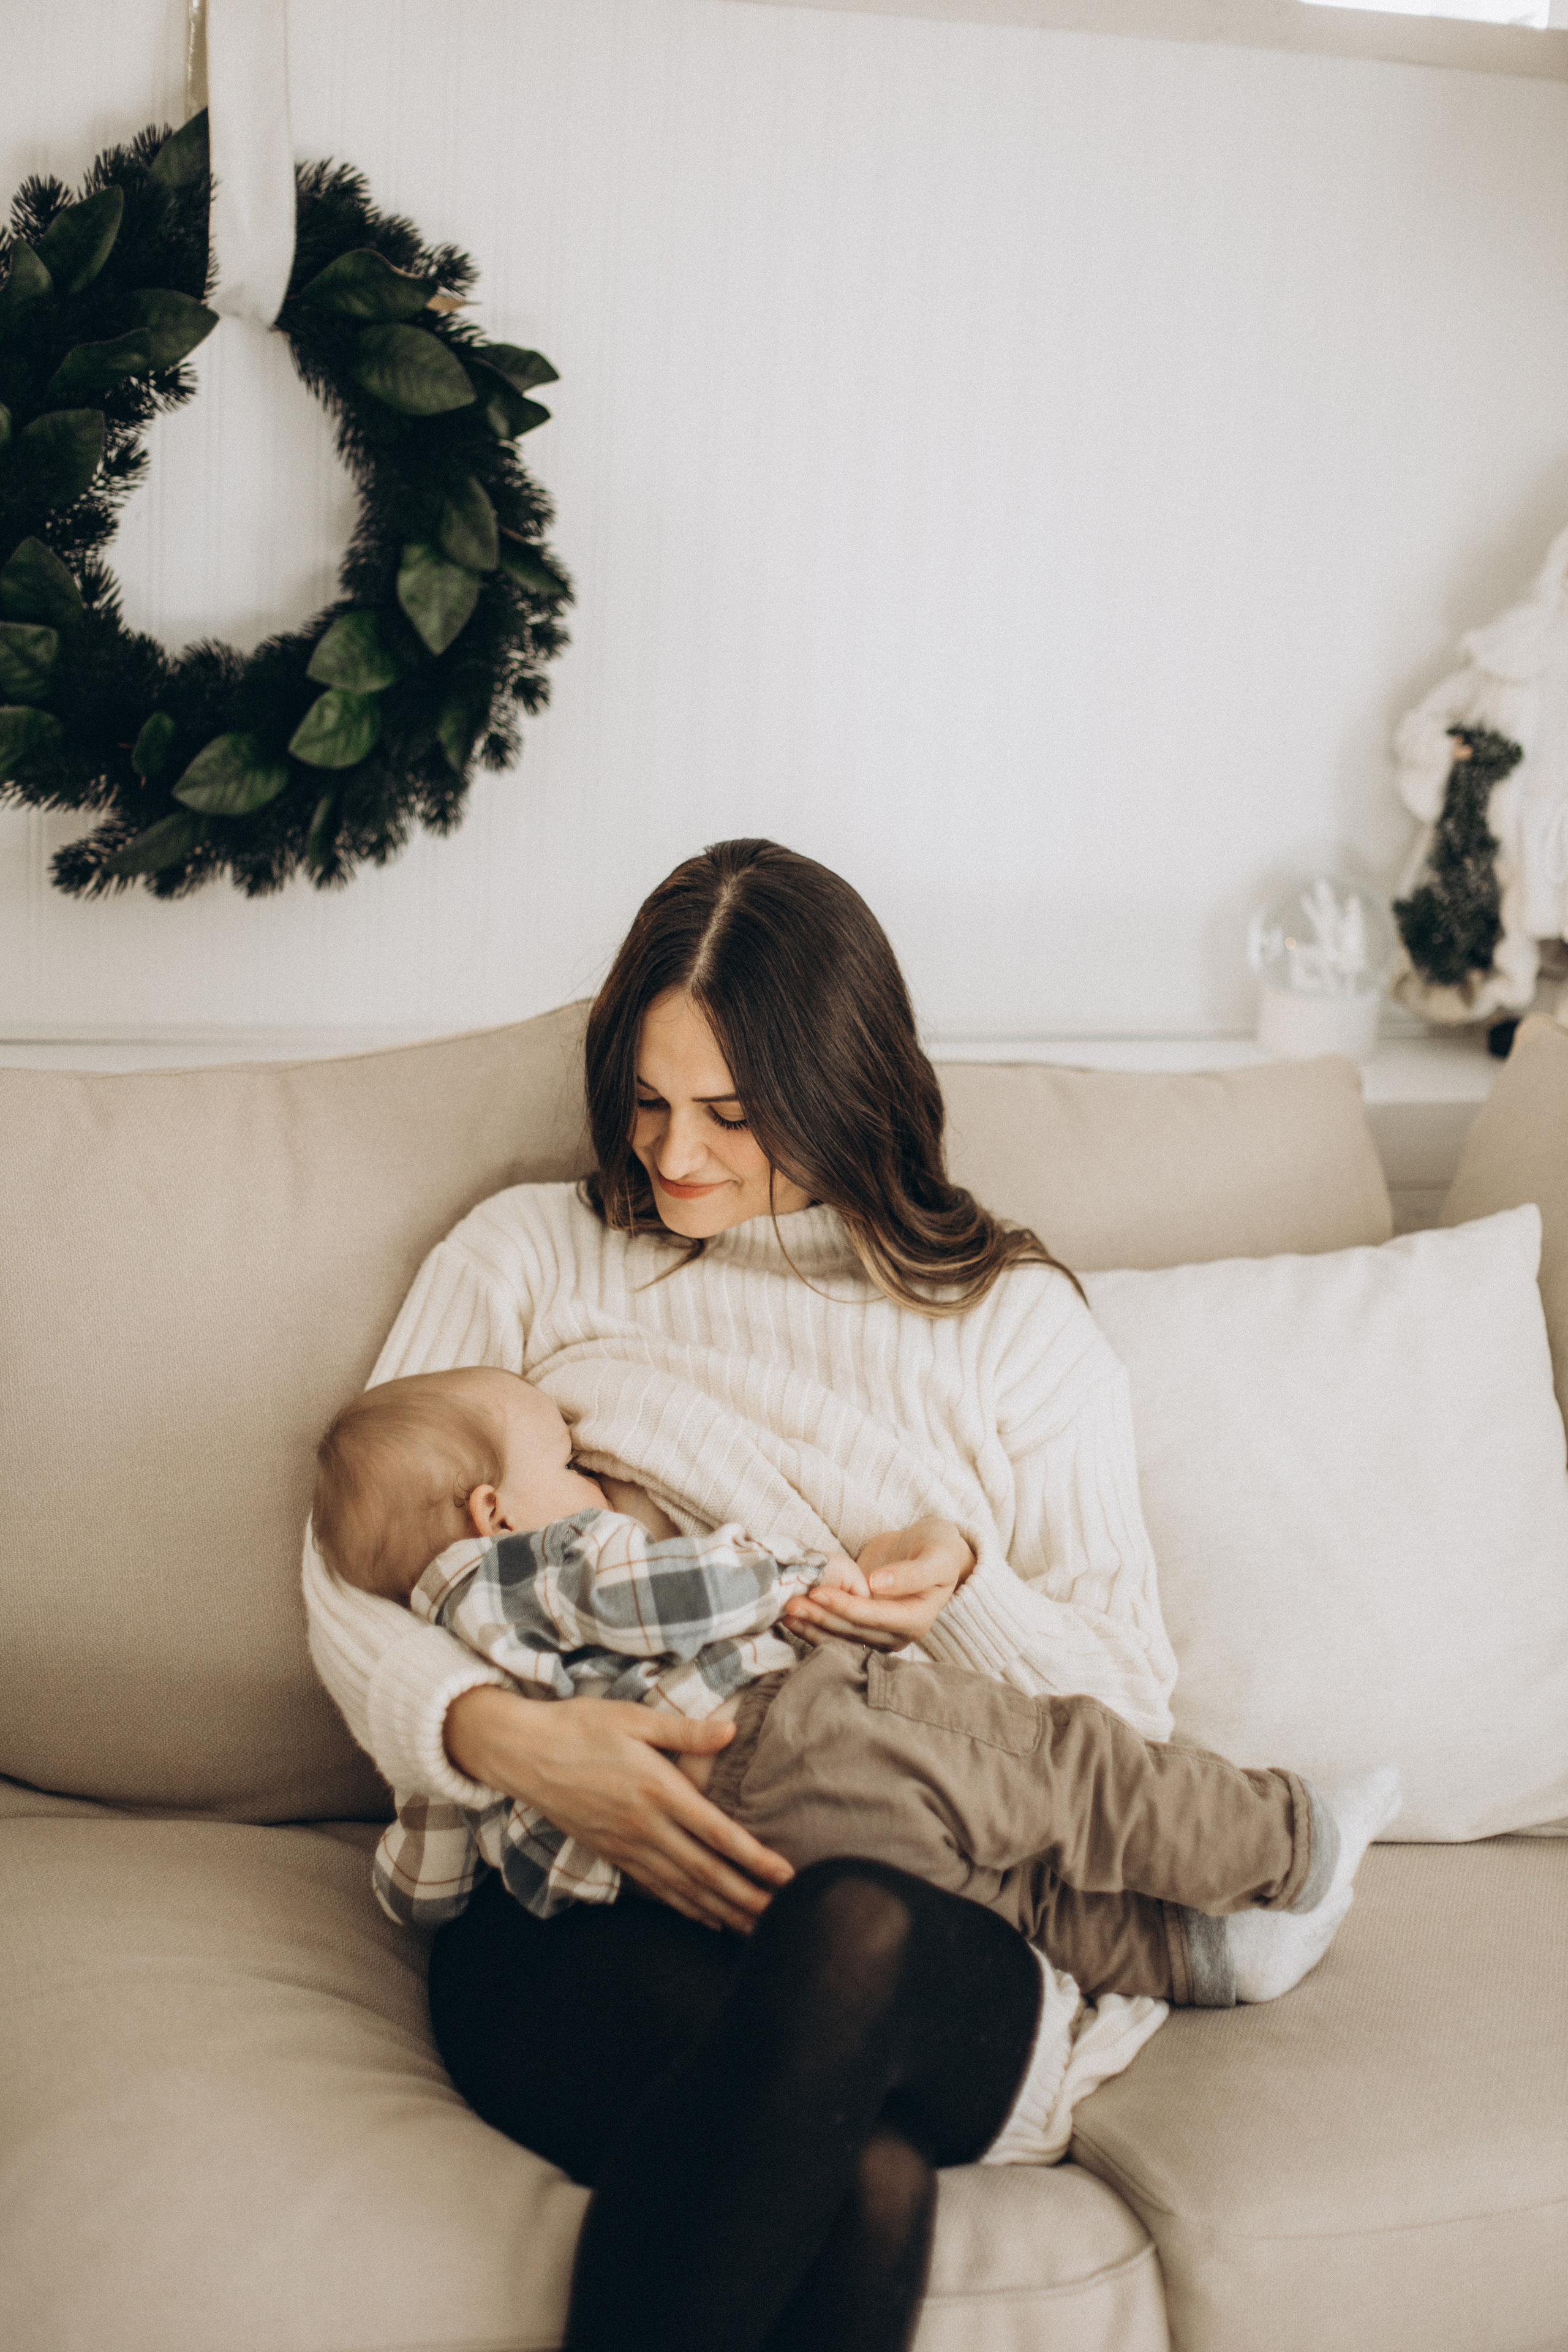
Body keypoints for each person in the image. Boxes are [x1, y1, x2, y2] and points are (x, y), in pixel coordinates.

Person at [299, 839, 1381, 2352]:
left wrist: (969, 1592)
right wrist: (501, 1736)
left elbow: (1126, 1706)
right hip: (585, 1922)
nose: (675, 1158)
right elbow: (352, 1561)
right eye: (649, 1101)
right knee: (864, 2184)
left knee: (849, 1931)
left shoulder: (1011, 1331)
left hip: (909, 1912)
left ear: (843, 1088)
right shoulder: (529, 1256)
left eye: (733, 1117)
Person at [312, 1362, 1396, 2008]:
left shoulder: (450, 1648)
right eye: (566, 1460)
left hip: (718, 1876)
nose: (590, 1478)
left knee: (1012, 1903)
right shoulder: (549, 1562)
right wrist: (787, 1576)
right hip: (796, 1732)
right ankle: (1294, 1846)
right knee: (1057, 1769)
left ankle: (1205, 1956)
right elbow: (654, 1593)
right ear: (495, 1511)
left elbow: (418, 1879)